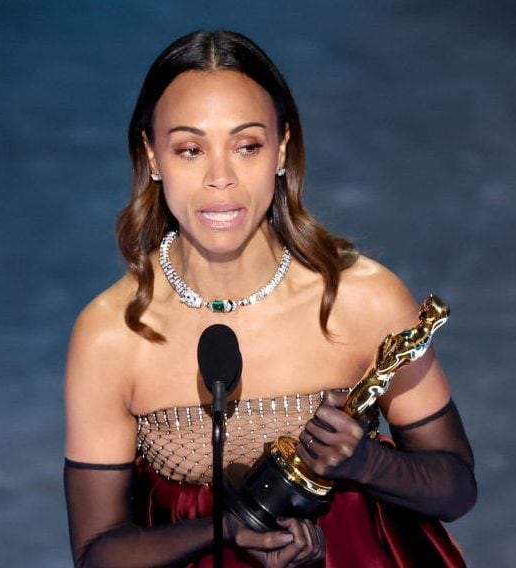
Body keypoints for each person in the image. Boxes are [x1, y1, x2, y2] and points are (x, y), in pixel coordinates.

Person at [64, 30, 477, 568]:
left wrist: (368, 463)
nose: (220, 179)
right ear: (153, 156)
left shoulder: (363, 300)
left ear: (282, 148)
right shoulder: (112, 335)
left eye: (247, 146)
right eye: (190, 149)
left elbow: (456, 489)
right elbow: (99, 554)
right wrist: (235, 527)